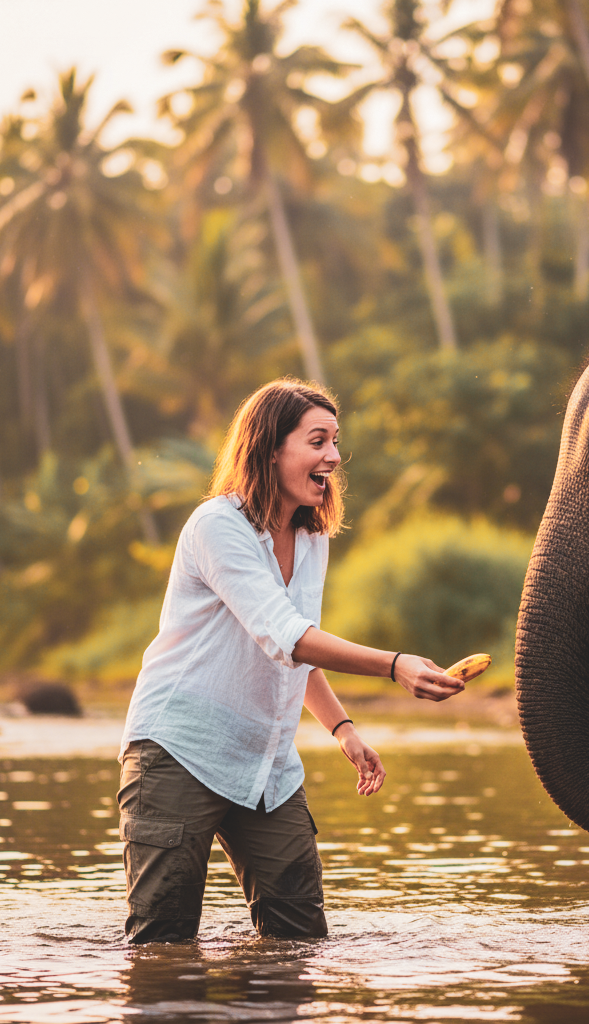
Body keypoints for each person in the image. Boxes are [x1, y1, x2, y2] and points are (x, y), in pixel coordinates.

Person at [117, 378, 463, 943]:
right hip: (179, 751)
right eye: (318, 441)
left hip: (266, 766)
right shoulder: (217, 526)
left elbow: (296, 648)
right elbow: (288, 637)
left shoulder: (311, 539)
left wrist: (344, 731)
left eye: (335, 442)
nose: (333, 456)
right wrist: (394, 664)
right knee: (163, 945)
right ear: (270, 448)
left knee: (299, 940)